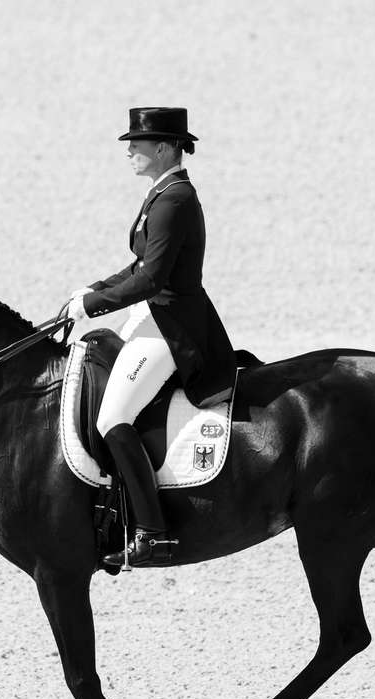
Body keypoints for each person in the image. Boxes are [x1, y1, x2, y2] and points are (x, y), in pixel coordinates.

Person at [67, 107, 237, 568]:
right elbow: (140, 267)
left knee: (112, 417)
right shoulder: (161, 192)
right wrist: (95, 288)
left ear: (163, 148)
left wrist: (93, 307)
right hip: (151, 314)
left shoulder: (175, 200)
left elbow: (151, 279)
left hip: (171, 326)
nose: (128, 153)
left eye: (136, 146)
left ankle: (152, 532)